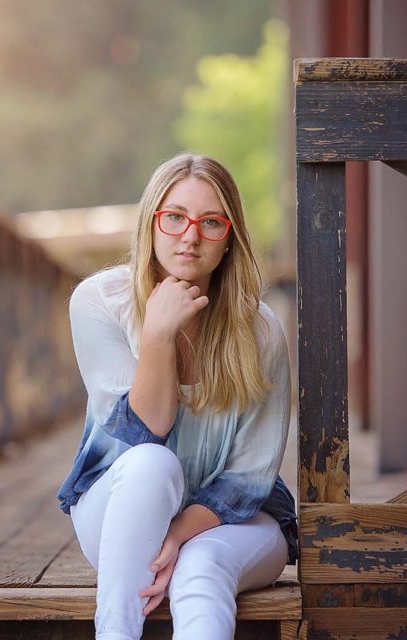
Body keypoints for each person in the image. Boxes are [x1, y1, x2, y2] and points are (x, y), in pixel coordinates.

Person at [56, 153, 298, 640]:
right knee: (152, 463)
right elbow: (145, 432)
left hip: (231, 520)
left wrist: (176, 536)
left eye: (211, 222)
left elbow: (248, 480)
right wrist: (157, 336)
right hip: (119, 513)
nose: (190, 235)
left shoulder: (260, 331)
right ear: (150, 223)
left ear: (230, 238)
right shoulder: (99, 302)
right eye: (174, 218)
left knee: (202, 564)